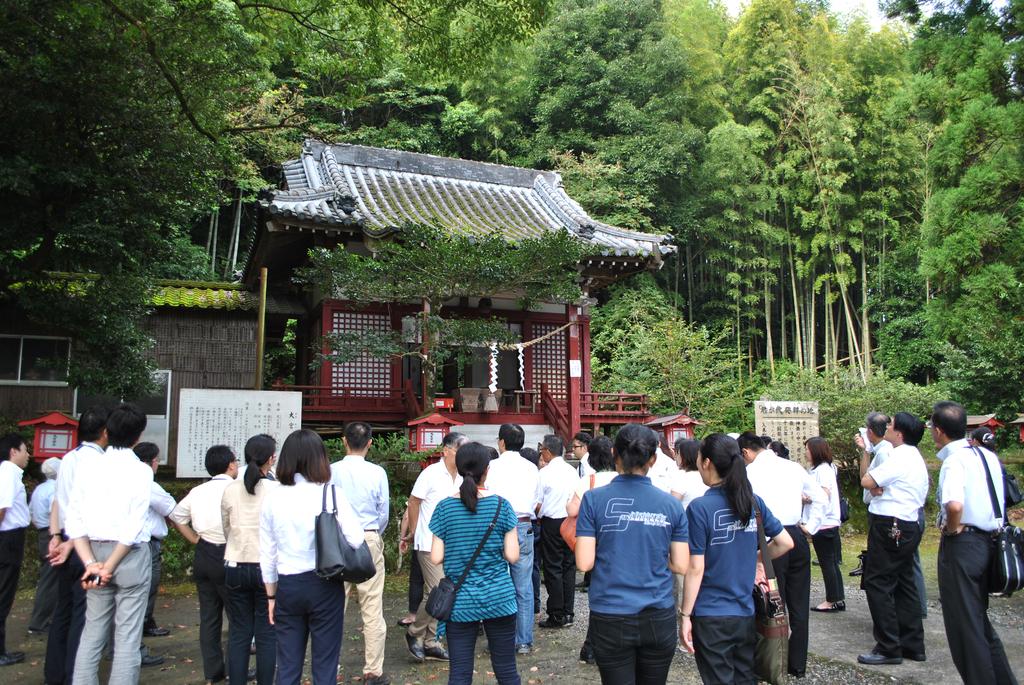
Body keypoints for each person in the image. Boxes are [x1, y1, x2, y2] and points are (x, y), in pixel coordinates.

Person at [575, 424, 689, 685]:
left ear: (614, 453)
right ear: (653, 458)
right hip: (657, 614)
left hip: (610, 614)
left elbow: (584, 562)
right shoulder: (671, 505)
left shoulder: (593, 500)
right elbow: (681, 564)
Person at [679, 433, 795, 684]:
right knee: (744, 678)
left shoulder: (700, 508)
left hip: (711, 615)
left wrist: (685, 615)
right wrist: (756, 558)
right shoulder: (753, 503)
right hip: (745, 612)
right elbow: (786, 542)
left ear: (707, 462)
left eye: (699, 457)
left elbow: (696, 567)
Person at [259, 429, 364, 685]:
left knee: (287, 665)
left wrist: (271, 595)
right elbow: (356, 539)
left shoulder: (272, 497)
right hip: (325, 584)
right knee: (325, 664)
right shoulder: (330, 494)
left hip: (288, 585)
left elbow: (267, 552)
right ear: (320, 458)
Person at [65, 403, 154, 685]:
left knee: (92, 632)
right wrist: (109, 566)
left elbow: (74, 519)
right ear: (138, 436)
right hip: (128, 556)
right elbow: (133, 526)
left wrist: (92, 564)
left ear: (107, 431)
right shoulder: (141, 471)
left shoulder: (86, 466)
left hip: (93, 552)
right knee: (127, 637)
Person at [931, 401, 1017, 685]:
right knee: (978, 621)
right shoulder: (986, 454)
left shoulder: (954, 461)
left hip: (964, 545)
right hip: (991, 542)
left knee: (964, 628)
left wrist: (953, 531)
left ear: (939, 431)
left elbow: (954, 505)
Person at [429, 442, 521, 685]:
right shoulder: (502, 505)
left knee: (459, 673)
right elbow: (513, 556)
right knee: (507, 671)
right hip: (499, 598)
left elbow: (436, 557)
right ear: (487, 469)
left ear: (459, 469)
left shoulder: (444, 508)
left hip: (460, 602)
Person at [739, 431, 825, 679]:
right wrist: (811, 526)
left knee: (770, 604)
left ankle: (771, 663)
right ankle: (797, 665)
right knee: (799, 603)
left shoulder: (750, 472)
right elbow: (821, 497)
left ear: (745, 452)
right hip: (795, 535)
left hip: (769, 539)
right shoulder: (794, 467)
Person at [857, 412, 929, 665]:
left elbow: (867, 479)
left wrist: (872, 484)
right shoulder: (914, 456)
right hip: (908, 522)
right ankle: (912, 643)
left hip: (891, 523)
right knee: (905, 581)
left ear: (899, 433)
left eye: (891, 425)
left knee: (878, 582)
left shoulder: (898, 456)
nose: (887, 427)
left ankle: (888, 646)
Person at [45, 406, 109, 685]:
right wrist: (71, 541)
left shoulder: (68, 458)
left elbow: (60, 500)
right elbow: (89, 508)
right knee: (84, 616)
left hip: (64, 543)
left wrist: (56, 536)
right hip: (84, 547)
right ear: (105, 432)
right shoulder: (100, 463)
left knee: (63, 611)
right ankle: (75, 676)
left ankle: (54, 674)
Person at [169, 445, 239, 684]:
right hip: (229, 553)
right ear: (230, 465)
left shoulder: (198, 491)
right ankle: (234, 669)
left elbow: (177, 516)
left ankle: (212, 672)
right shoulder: (236, 489)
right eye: (236, 461)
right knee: (237, 616)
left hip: (204, 552)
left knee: (209, 617)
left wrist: (194, 538)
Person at [330, 422, 391, 685]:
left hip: (336, 538)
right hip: (368, 535)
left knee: (333, 606)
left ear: (344, 441)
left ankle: (329, 667)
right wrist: (375, 533)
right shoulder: (377, 473)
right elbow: (384, 512)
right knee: (372, 605)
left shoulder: (330, 471)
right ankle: (373, 671)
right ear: (369, 443)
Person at [401, 431, 467, 662]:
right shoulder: (430, 473)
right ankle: (415, 633)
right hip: (428, 540)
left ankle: (431, 641)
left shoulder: (462, 476)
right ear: (446, 450)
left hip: (452, 543)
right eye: (461, 449)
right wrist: (415, 531)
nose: (464, 455)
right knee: (435, 589)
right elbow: (414, 501)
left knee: (446, 590)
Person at [221, 434, 278, 685]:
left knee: (239, 632)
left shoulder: (230, 489)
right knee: (267, 633)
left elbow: (226, 528)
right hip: (266, 569)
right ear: (271, 459)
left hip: (235, 564)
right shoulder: (276, 491)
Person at [487, 423, 542, 655]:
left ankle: (499, 640)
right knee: (524, 586)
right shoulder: (532, 468)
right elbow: (538, 503)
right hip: (523, 524)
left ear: (501, 442)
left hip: (495, 526)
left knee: (495, 583)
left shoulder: (491, 466)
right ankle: (523, 641)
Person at [564, 435, 615, 665]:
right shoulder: (623, 478)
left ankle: (592, 646)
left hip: (595, 543)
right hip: (620, 543)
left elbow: (571, 509)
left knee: (599, 596)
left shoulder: (589, 481)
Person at [133, 442, 174, 666]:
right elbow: (171, 508)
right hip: (145, 544)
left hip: (130, 543)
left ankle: (144, 627)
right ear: (152, 462)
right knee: (143, 592)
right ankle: (135, 647)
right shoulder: (147, 483)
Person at [536, 434, 578, 629]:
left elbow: (538, 503)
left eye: (542, 449)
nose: (541, 452)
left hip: (552, 523)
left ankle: (556, 613)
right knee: (569, 565)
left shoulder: (543, 473)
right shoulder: (572, 471)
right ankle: (568, 612)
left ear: (548, 451)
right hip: (570, 521)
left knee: (553, 567)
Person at [0, 433, 30, 667]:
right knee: (3, 595)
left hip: (10, 537)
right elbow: (2, 507)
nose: (28, 454)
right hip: (7, 539)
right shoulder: (8, 472)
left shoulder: (9, 473)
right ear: (13, 451)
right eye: (24, 450)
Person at [850, 412, 893, 577]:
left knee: (881, 563)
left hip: (882, 512)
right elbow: (865, 477)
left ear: (869, 431)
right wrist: (865, 451)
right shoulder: (878, 450)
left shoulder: (885, 452)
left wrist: (874, 487)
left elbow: (877, 484)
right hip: (875, 508)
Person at [805, 438, 845, 613]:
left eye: (807, 449)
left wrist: (804, 498)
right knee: (830, 562)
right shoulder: (817, 470)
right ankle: (837, 598)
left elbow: (824, 495)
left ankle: (833, 600)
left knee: (828, 562)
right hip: (824, 522)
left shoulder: (823, 470)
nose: (805, 452)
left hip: (825, 523)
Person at [28, 457, 61, 635]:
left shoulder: (39, 489)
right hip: (52, 535)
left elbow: (30, 511)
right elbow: (55, 513)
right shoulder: (56, 490)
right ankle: (39, 621)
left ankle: (43, 618)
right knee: (50, 580)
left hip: (42, 533)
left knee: (48, 577)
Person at [518, 447, 543, 619]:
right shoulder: (535, 473)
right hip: (531, 521)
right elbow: (539, 502)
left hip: (518, 522)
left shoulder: (515, 474)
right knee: (532, 566)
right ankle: (535, 604)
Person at [397, 506, 422, 628]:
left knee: (417, 580)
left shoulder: (421, 489)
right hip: (447, 541)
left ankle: (413, 616)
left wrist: (403, 537)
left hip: (423, 541)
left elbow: (407, 516)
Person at [669, 438, 708, 509]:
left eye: (678, 453)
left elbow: (671, 507)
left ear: (684, 457)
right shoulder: (707, 476)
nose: (676, 456)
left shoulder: (681, 478)